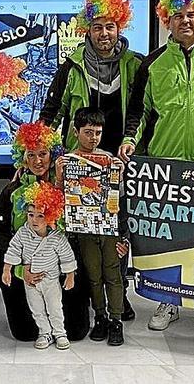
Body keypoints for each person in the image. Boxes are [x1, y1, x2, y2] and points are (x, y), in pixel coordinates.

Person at [118, 0, 194, 336]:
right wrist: (129, 140)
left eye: (192, 15)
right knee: (170, 238)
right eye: (178, 15)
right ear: (166, 20)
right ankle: (169, 300)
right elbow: (138, 112)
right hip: (163, 164)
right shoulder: (152, 64)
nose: (185, 21)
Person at [40, 0, 141, 320]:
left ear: (119, 27)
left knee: (117, 232)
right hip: (81, 167)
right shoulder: (70, 67)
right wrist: (31, 155)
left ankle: (118, 296)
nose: (104, 34)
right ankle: (88, 294)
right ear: (87, 30)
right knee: (82, 233)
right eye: (97, 27)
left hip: (118, 166)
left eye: (109, 26)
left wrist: (130, 140)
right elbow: (51, 113)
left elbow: (141, 111)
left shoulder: (135, 65)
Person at [0, 121, 91, 341]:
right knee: (25, 334)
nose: (38, 161)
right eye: (31, 155)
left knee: (76, 332)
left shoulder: (70, 186)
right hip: (25, 268)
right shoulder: (12, 191)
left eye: (43, 153)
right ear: (23, 157)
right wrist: (20, 270)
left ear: (53, 154)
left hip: (61, 266)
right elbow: (1, 236)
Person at [54, 108, 128, 345]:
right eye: (88, 132)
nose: (93, 137)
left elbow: (120, 198)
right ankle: (100, 317)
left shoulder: (108, 159)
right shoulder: (67, 160)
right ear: (76, 132)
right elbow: (57, 199)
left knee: (113, 274)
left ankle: (116, 320)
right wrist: (58, 175)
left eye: (97, 132)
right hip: (83, 229)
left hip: (108, 227)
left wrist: (119, 175)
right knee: (93, 276)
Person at [2, 180, 76, 350]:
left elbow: (67, 256)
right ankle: (45, 332)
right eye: (30, 215)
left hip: (50, 280)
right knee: (36, 309)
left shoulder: (57, 237)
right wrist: (7, 269)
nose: (34, 220)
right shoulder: (23, 233)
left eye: (40, 215)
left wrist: (70, 275)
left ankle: (60, 332)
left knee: (55, 307)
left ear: (50, 216)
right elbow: (13, 250)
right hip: (30, 282)